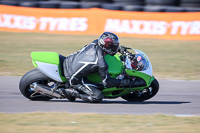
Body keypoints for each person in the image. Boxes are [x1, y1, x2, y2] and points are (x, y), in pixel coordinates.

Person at [63, 32, 131, 103]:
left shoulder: (95, 42)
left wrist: (119, 49)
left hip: (69, 60)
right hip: (73, 78)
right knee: (97, 97)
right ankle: (72, 92)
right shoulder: (101, 63)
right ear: (106, 46)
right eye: (113, 46)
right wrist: (122, 82)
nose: (115, 48)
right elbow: (107, 83)